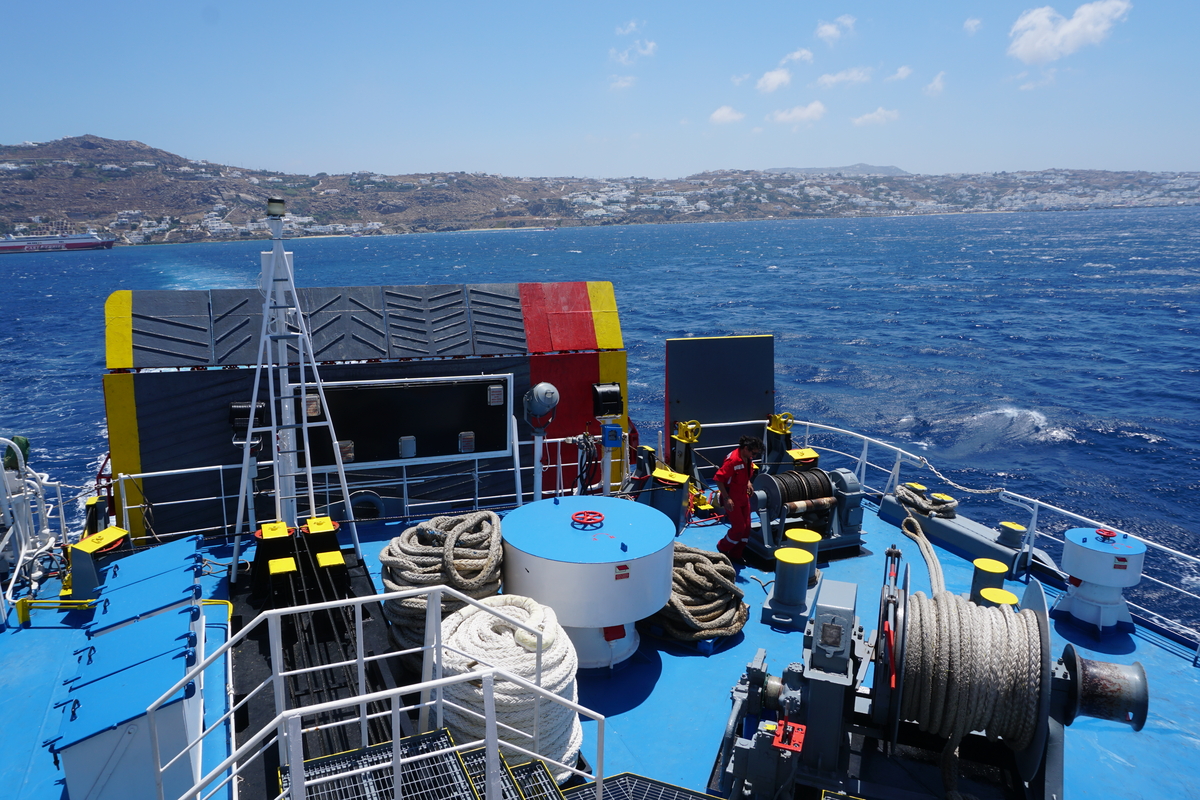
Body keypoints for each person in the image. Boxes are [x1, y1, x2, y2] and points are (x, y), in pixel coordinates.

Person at [713, 435, 763, 561]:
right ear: (746, 448)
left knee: (746, 529)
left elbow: (744, 474)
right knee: (738, 528)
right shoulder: (733, 461)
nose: (755, 456)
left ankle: (736, 554)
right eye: (754, 453)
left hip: (743, 497)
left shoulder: (747, 458)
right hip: (733, 499)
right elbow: (718, 479)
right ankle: (722, 547)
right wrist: (726, 498)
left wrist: (748, 482)